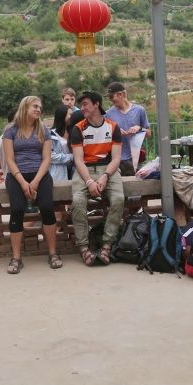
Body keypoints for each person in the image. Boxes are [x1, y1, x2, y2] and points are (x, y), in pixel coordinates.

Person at [3, 96, 60, 273]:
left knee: (47, 208)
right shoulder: (10, 130)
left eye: (40, 107)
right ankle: (16, 257)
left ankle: (52, 253)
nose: (38, 109)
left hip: (40, 175)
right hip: (16, 175)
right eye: (35, 106)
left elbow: (47, 159)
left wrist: (34, 182)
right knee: (17, 209)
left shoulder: (44, 130)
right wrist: (22, 182)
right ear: (25, 107)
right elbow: (10, 160)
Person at [71, 91, 124, 266]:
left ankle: (106, 245)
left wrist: (105, 176)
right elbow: (78, 160)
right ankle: (84, 248)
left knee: (118, 199)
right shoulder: (78, 128)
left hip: (108, 168)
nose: (82, 108)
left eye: (86, 104)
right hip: (85, 169)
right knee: (78, 201)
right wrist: (89, 181)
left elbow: (116, 158)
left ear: (96, 104)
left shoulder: (113, 127)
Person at [105, 81, 151, 175]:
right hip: (117, 161)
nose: (110, 100)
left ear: (120, 94)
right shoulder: (108, 114)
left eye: (111, 97)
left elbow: (149, 134)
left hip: (136, 159)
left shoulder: (139, 110)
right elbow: (105, 137)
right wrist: (114, 132)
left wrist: (139, 129)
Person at [48, 104, 75, 182]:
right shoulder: (51, 135)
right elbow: (51, 156)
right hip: (59, 173)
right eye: (70, 114)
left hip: (74, 170)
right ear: (62, 115)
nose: (72, 117)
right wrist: (71, 157)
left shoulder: (74, 131)